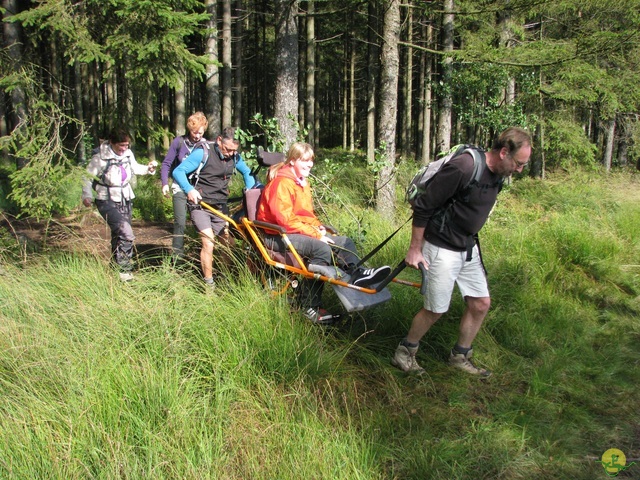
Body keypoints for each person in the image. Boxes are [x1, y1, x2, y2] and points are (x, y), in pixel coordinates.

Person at [392, 127, 532, 377]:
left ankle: (460, 356)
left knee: (480, 303)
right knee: (435, 309)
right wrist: (415, 249)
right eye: (518, 163)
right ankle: (405, 352)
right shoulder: (464, 167)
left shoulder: (498, 174)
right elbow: (424, 206)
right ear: (503, 153)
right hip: (440, 247)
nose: (519, 170)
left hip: (468, 246)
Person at [256, 142, 391, 324]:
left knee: (344, 243)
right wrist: (316, 235)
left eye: (311, 160)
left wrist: (318, 227)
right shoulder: (281, 184)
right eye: (305, 161)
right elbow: (285, 221)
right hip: (276, 236)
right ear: (293, 161)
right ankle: (309, 306)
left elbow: (306, 214)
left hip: (295, 232)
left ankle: (357, 274)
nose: (310, 165)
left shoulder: (302, 183)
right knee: (321, 249)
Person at [172, 126, 256, 288]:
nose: (231, 153)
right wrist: (189, 189)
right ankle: (209, 285)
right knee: (209, 242)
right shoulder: (202, 153)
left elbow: (247, 172)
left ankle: (224, 278)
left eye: (234, 150)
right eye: (228, 149)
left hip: (220, 207)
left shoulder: (234, 157)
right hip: (200, 205)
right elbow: (178, 171)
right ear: (219, 140)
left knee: (228, 243)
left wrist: (250, 190)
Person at [81, 127, 158, 281]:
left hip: (125, 197)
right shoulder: (100, 158)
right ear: (112, 143)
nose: (124, 149)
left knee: (119, 235)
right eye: (121, 145)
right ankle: (125, 270)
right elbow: (87, 177)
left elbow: (135, 168)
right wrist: (87, 196)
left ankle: (114, 269)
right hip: (106, 199)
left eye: (126, 145)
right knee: (126, 233)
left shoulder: (128, 154)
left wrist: (148, 169)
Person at [160, 112, 209, 261]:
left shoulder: (205, 146)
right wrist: (164, 183)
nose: (197, 136)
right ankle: (177, 256)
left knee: (199, 221)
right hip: (180, 187)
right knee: (180, 221)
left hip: (198, 188)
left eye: (200, 133)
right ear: (189, 129)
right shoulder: (179, 142)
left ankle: (200, 252)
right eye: (195, 132)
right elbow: (167, 163)